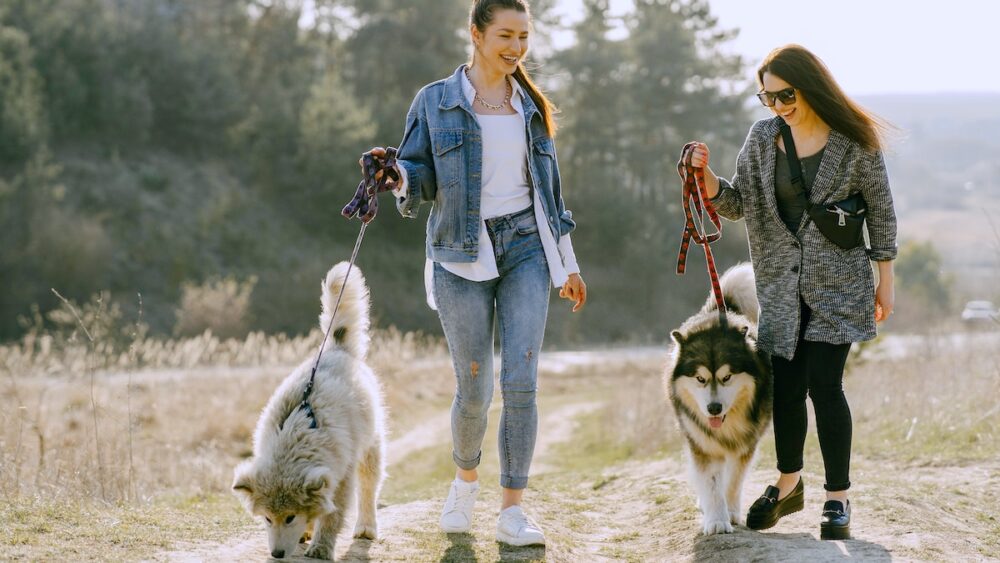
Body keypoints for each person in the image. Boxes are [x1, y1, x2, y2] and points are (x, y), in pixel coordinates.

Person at [363, 0, 586, 547]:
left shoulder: (531, 105)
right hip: (459, 252)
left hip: (528, 249)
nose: (516, 48)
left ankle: (512, 511)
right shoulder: (435, 100)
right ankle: (465, 487)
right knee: (474, 388)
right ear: (477, 34)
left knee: (521, 384)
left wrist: (569, 265)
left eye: (524, 37)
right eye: (506, 35)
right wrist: (396, 178)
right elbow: (417, 170)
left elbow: (550, 195)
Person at [684, 44, 897, 540]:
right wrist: (707, 181)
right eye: (767, 97)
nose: (778, 106)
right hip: (779, 289)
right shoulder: (762, 139)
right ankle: (787, 482)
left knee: (826, 388)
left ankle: (838, 499)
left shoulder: (854, 142)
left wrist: (884, 281)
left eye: (785, 95)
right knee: (786, 390)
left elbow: (881, 212)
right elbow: (737, 203)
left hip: (838, 286)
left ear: (809, 85)